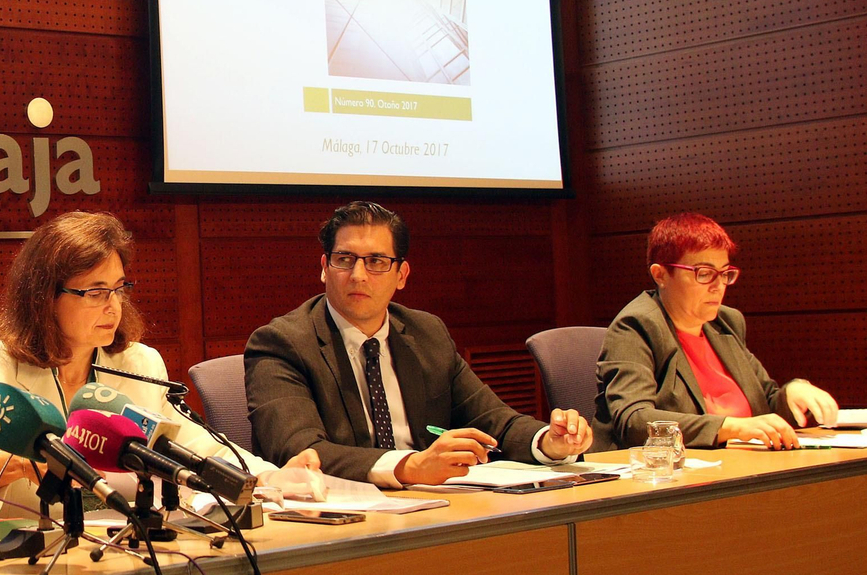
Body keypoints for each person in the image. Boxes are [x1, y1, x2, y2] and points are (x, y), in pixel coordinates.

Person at [0, 211, 320, 520]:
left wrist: (268, 475)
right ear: (46, 297)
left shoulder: (137, 363)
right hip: (28, 556)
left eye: (119, 289)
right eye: (96, 292)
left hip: (125, 543)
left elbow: (193, 445)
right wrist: (17, 466)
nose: (113, 306)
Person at [246, 201, 593, 486]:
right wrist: (408, 466)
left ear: (401, 276)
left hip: (433, 507)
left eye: (377, 262)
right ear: (324, 267)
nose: (359, 275)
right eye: (344, 259)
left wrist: (549, 441)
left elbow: (493, 419)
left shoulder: (426, 334)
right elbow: (300, 451)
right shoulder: (281, 344)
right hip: (343, 516)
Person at [595, 212, 837, 450]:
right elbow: (634, 421)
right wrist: (731, 428)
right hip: (668, 478)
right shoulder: (636, 326)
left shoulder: (726, 323)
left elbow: (765, 404)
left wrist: (793, 392)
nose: (718, 286)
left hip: (744, 468)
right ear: (661, 275)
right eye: (704, 273)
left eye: (724, 274)